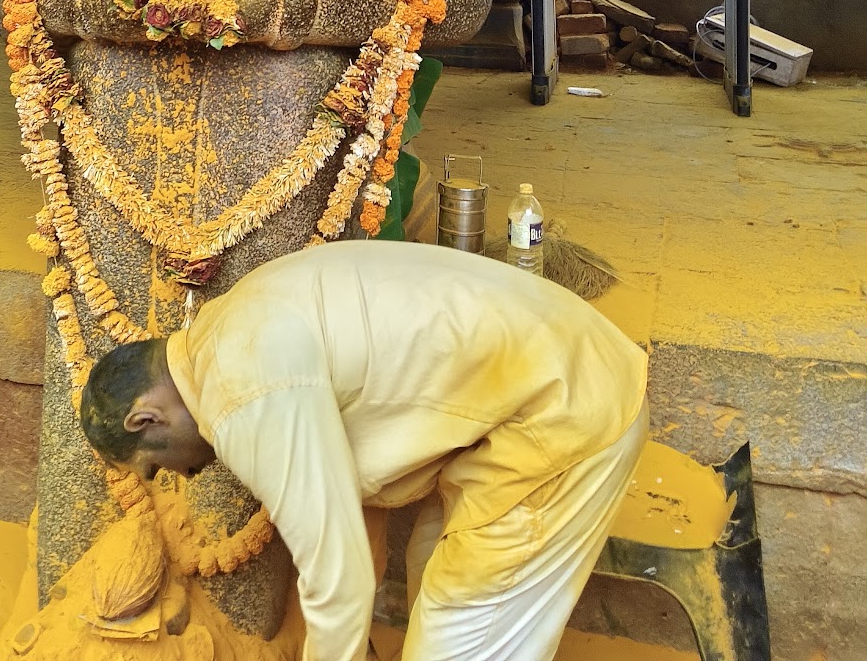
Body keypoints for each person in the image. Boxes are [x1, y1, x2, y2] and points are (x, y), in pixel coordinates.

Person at [80, 243, 648, 661]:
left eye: (155, 465)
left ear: (146, 418)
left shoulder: (239, 394)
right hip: (544, 383)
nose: (182, 474)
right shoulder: (225, 330)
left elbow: (339, 579)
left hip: (562, 404)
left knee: (458, 630)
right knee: (430, 567)